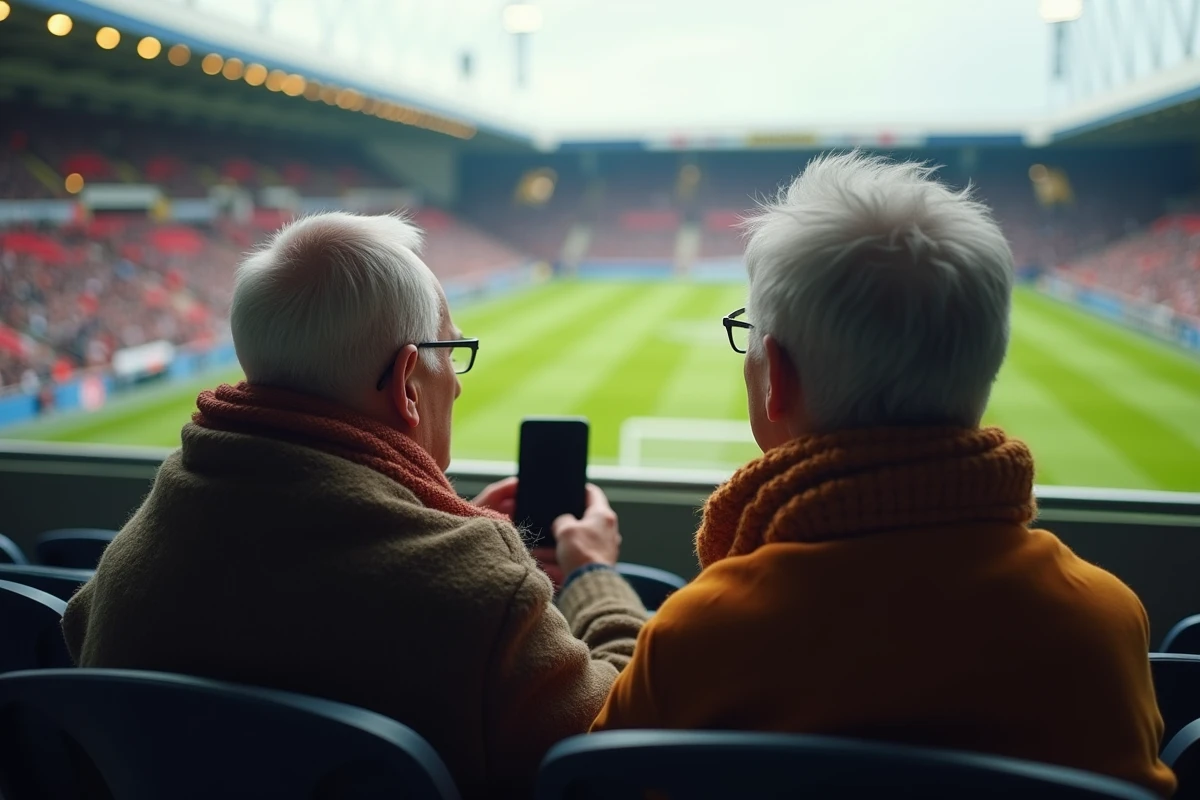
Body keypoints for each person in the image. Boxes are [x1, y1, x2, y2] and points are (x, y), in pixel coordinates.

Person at [590, 153, 1175, 796]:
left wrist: (593, 583)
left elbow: (589, 782)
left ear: (776, 377)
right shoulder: (1103, 621)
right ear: (984, 368)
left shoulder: (699, 632)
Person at [63, 212, 649, 799]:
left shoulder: (129, 560)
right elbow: (622, 742)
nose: (457, 382)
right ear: (407, 383)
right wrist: (594, 575)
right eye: (452, 351)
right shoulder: (482, 597)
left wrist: (436, 523)